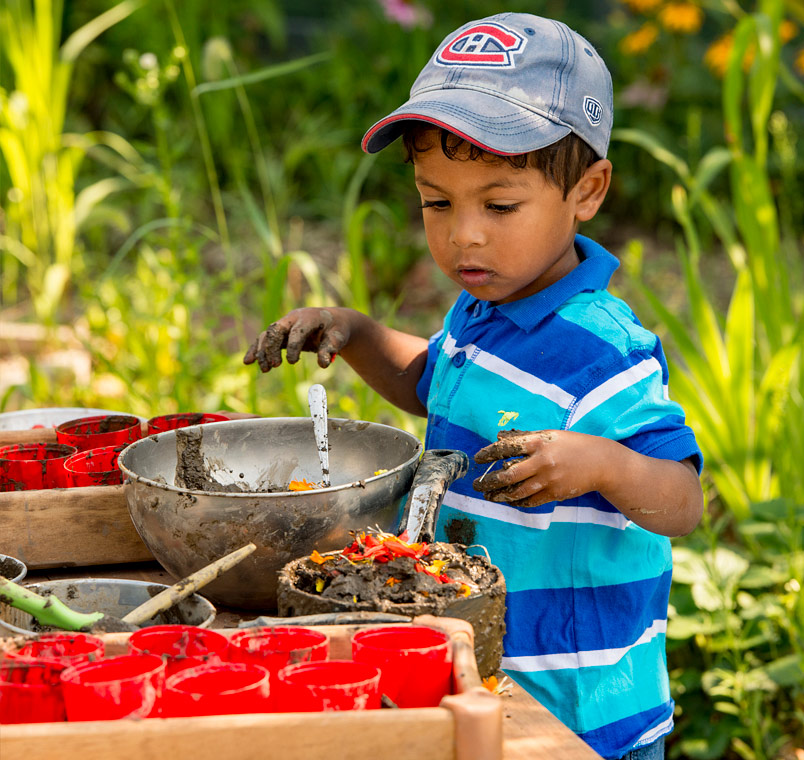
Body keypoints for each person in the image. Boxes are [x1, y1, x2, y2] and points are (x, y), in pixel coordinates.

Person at [244, 13, 703, 760]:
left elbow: (684, 502)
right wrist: (356, 333)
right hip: (485, 681)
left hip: (579, 711)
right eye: (437, 202)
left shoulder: (602, 351)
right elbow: (437, 386)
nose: (465, 236)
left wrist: (599, 464)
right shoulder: (484, 306)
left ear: (586, 192)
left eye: (499, 205)